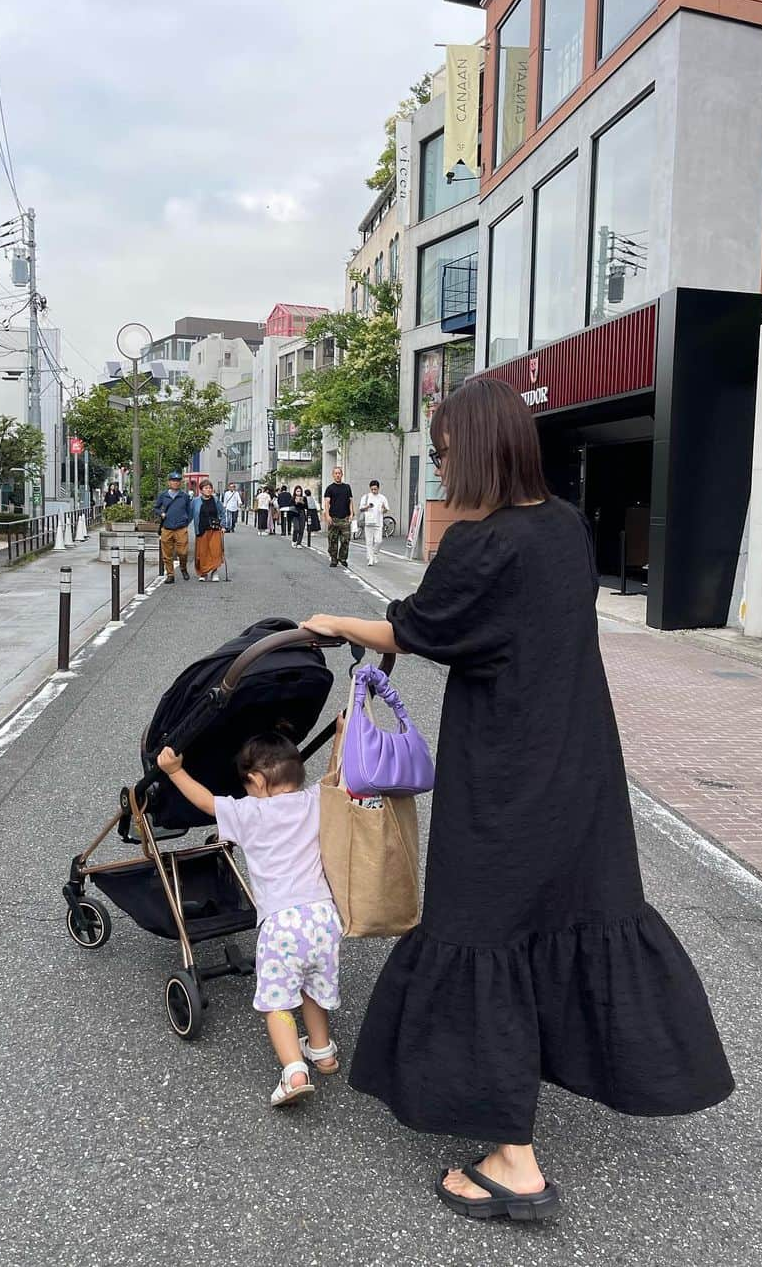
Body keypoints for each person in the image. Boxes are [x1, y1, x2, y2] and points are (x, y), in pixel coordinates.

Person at [300, 376, 732, 1223]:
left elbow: (424, 627)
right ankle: (557, 1079)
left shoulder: (482, 544)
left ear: (477, 449)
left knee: (479, 930)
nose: (444, 464)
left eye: (447, 449)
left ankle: (513, 1162)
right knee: (562, 916)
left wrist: (340, 624)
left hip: (503, 776)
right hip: (580, 768)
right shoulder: (565, 529)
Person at [158, 733, 344, 1107]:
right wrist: (339, 736)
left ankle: (294, 1070)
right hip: (325, 918)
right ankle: (322, 1052)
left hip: (282, 925)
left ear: (257, 781)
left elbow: (206, 803)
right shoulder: (316, 800)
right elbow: (335, 776)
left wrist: (174, 770)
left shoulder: (249, 813)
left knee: (278, 1002)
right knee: (312, 986)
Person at [152, 472, 195, 584]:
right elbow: (156, 508)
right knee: (167, 553)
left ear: (180, 483)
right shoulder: (163, 495)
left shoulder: (184, 496)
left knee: (183, 552)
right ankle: (170, 574)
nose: (175, 483)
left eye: (177, 481)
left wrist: (186, 522)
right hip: (167, 527)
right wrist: (161, 513)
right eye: (173, 480)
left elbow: (190, 512)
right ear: (169, 482)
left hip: (181, 527)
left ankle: (183, 568)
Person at [191, 480, 225, 582]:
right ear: (201, 490)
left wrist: (223, 525)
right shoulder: (195, 501)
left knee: (215, 551)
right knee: (202, 552)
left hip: (214, 529)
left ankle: (214, 572)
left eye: (210, 488)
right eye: (206, 488)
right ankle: (203, 573)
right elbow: (189, 514)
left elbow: (222, 513)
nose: (208, 490)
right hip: (201, 529)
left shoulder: (215, 500)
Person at [322, 467, 354, 568]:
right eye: (335, 473)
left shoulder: (347, 487)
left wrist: (352, 514)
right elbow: (327, 503)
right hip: (333, 518)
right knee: (332, 540)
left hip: (345, 518)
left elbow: (351, 501)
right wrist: (327, 516)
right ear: (333, 475)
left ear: (342, 474)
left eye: (339, 473)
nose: (337, 475)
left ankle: (343, 558)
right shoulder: (330, 488)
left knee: (346, 540)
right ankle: (334, 559)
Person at [358, 480, 391, 566]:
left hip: (378, 523)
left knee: (379, 541)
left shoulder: (382, 498)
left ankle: (375, 553)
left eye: (375, 489)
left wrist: (384, 508)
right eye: (372, 489)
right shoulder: (366, 497)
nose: (373, 491)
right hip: (368, 522)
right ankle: (371, 559)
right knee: (369, 542)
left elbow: (386, 510)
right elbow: (361, 509)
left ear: (378, 488)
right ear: (370, 488)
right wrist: (368, 506)